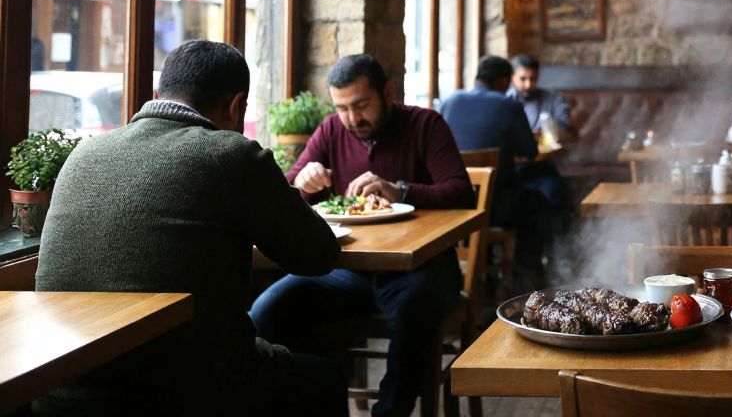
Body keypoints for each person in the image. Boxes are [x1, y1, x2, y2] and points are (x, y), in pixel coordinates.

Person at [35, 40, 344, 417]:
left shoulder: (84, 154)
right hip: (188, 392)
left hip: (62, 392)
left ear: (156, 95)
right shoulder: (232, 154)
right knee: (324, 377)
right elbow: (319, 255)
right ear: (237, 105)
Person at [252, 53, 472, 417]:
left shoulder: (425, 124)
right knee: (267, 310)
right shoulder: (330, 130)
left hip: (422, 269)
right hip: (348, 272)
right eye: (342, 108)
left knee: (414, 312)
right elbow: (288, 190)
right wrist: (303, 183)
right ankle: (324, 396)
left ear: (387, 92)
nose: (352, 119)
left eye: (361, 105)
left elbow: (461, 192)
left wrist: (399, 190)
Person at [440, 55, 555, 285]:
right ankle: (525, 275)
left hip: (454, 206)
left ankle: (485, 267)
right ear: (504, 81)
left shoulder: (449, 101)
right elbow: (531, 152)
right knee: (539, 202)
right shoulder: (509, 106)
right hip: (496, 208)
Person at [506, 53, 575, 139]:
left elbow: (566, 129)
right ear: (512, 78)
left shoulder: (554, 98)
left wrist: (549, 129)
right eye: (522, 79)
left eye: (533, 79)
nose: (528, 85)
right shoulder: (503, 100)